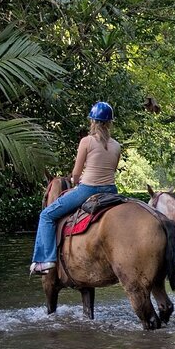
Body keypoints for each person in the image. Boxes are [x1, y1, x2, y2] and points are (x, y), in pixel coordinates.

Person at [30, 102, 121, 275]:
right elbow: (113, 169)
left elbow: (76, 173)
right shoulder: (116, 145)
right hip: (111, 191)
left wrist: (76, 182)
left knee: (47, 215)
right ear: (110, 123)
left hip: (88, 189)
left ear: (92, 121)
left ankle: (46, 260)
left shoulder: (86, 141)